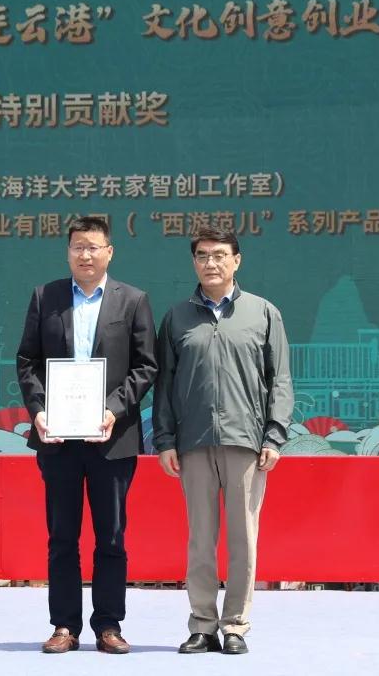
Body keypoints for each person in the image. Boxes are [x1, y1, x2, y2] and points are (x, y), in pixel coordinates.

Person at [16, 216, 157, 654]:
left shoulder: (133, 300)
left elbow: (146, 366)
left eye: (94, 246)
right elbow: (27, 361)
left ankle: (109, 625)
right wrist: (39, 411)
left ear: (109, 252)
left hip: (111, 439)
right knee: (62, 537)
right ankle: (65, 625)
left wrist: (113, 409)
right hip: (57, 439)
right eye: (78, 246)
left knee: (111, 536)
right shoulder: (46, 297)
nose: (86, 254)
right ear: (68, 252)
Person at [152, 226, 294, 655]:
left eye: (219, 255)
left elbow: (280, 380)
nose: (210, 263)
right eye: (202, 256)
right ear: (193, 262)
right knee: (200, 538)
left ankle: (235, 625)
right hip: (193, 442)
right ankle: (202, 625)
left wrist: (274, 435)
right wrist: (165, 439)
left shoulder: (263, 313)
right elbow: (165, 385)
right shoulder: (177, 318)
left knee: (243, 538)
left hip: (245, 441)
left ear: (236, 261)